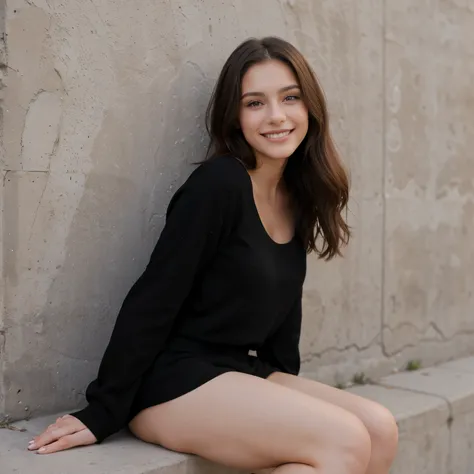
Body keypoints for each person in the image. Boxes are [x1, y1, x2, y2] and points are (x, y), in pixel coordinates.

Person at [28, 37, 398, 474]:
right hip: (172, 382)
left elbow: (283, 313)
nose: (276, 116)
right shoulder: (219, 184)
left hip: (237, 371)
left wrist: (287, 395)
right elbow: (154, 297)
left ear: (310, 108)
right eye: (255, 103)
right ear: (234, 117)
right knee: (346, 439)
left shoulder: (297, 195)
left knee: (379, 427)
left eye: (290, 98)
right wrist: (102, 410)